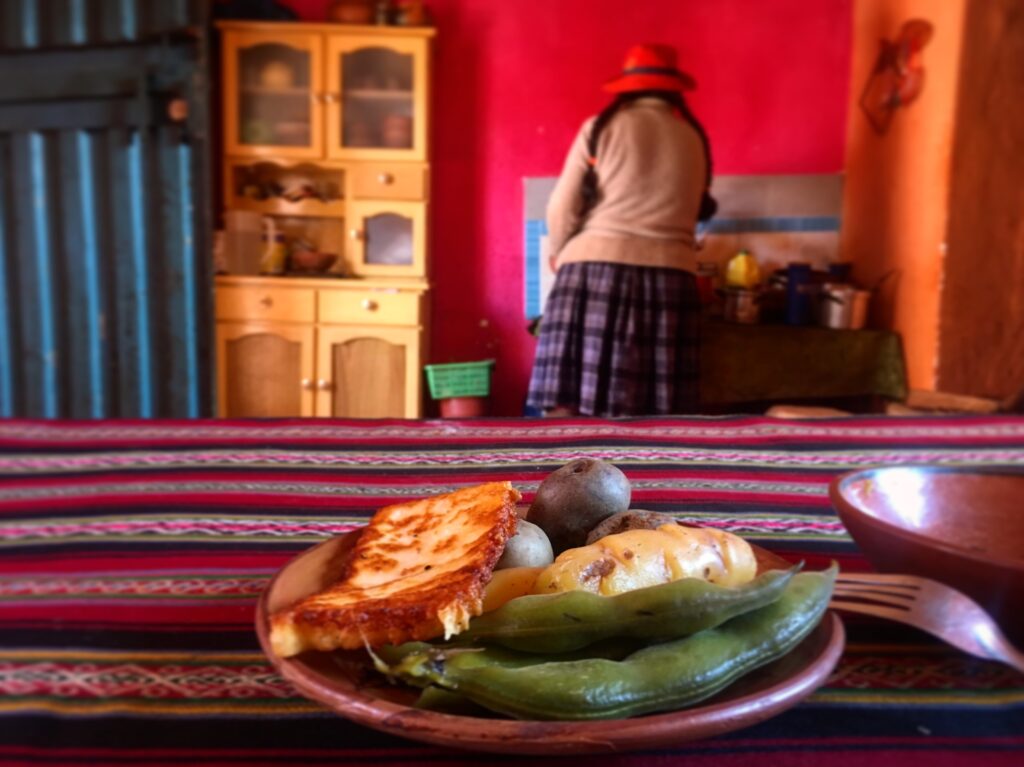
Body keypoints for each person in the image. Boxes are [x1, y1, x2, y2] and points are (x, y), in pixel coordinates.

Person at [527, 43, 717, 417]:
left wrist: (561, 252)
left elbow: (562, 204)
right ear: (673, 89)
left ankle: (569, 472)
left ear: (627, 87)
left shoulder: (601, 128)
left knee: (567, 408)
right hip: (671, 279)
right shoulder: (693, 138)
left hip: (591, 272)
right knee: (656, 413)